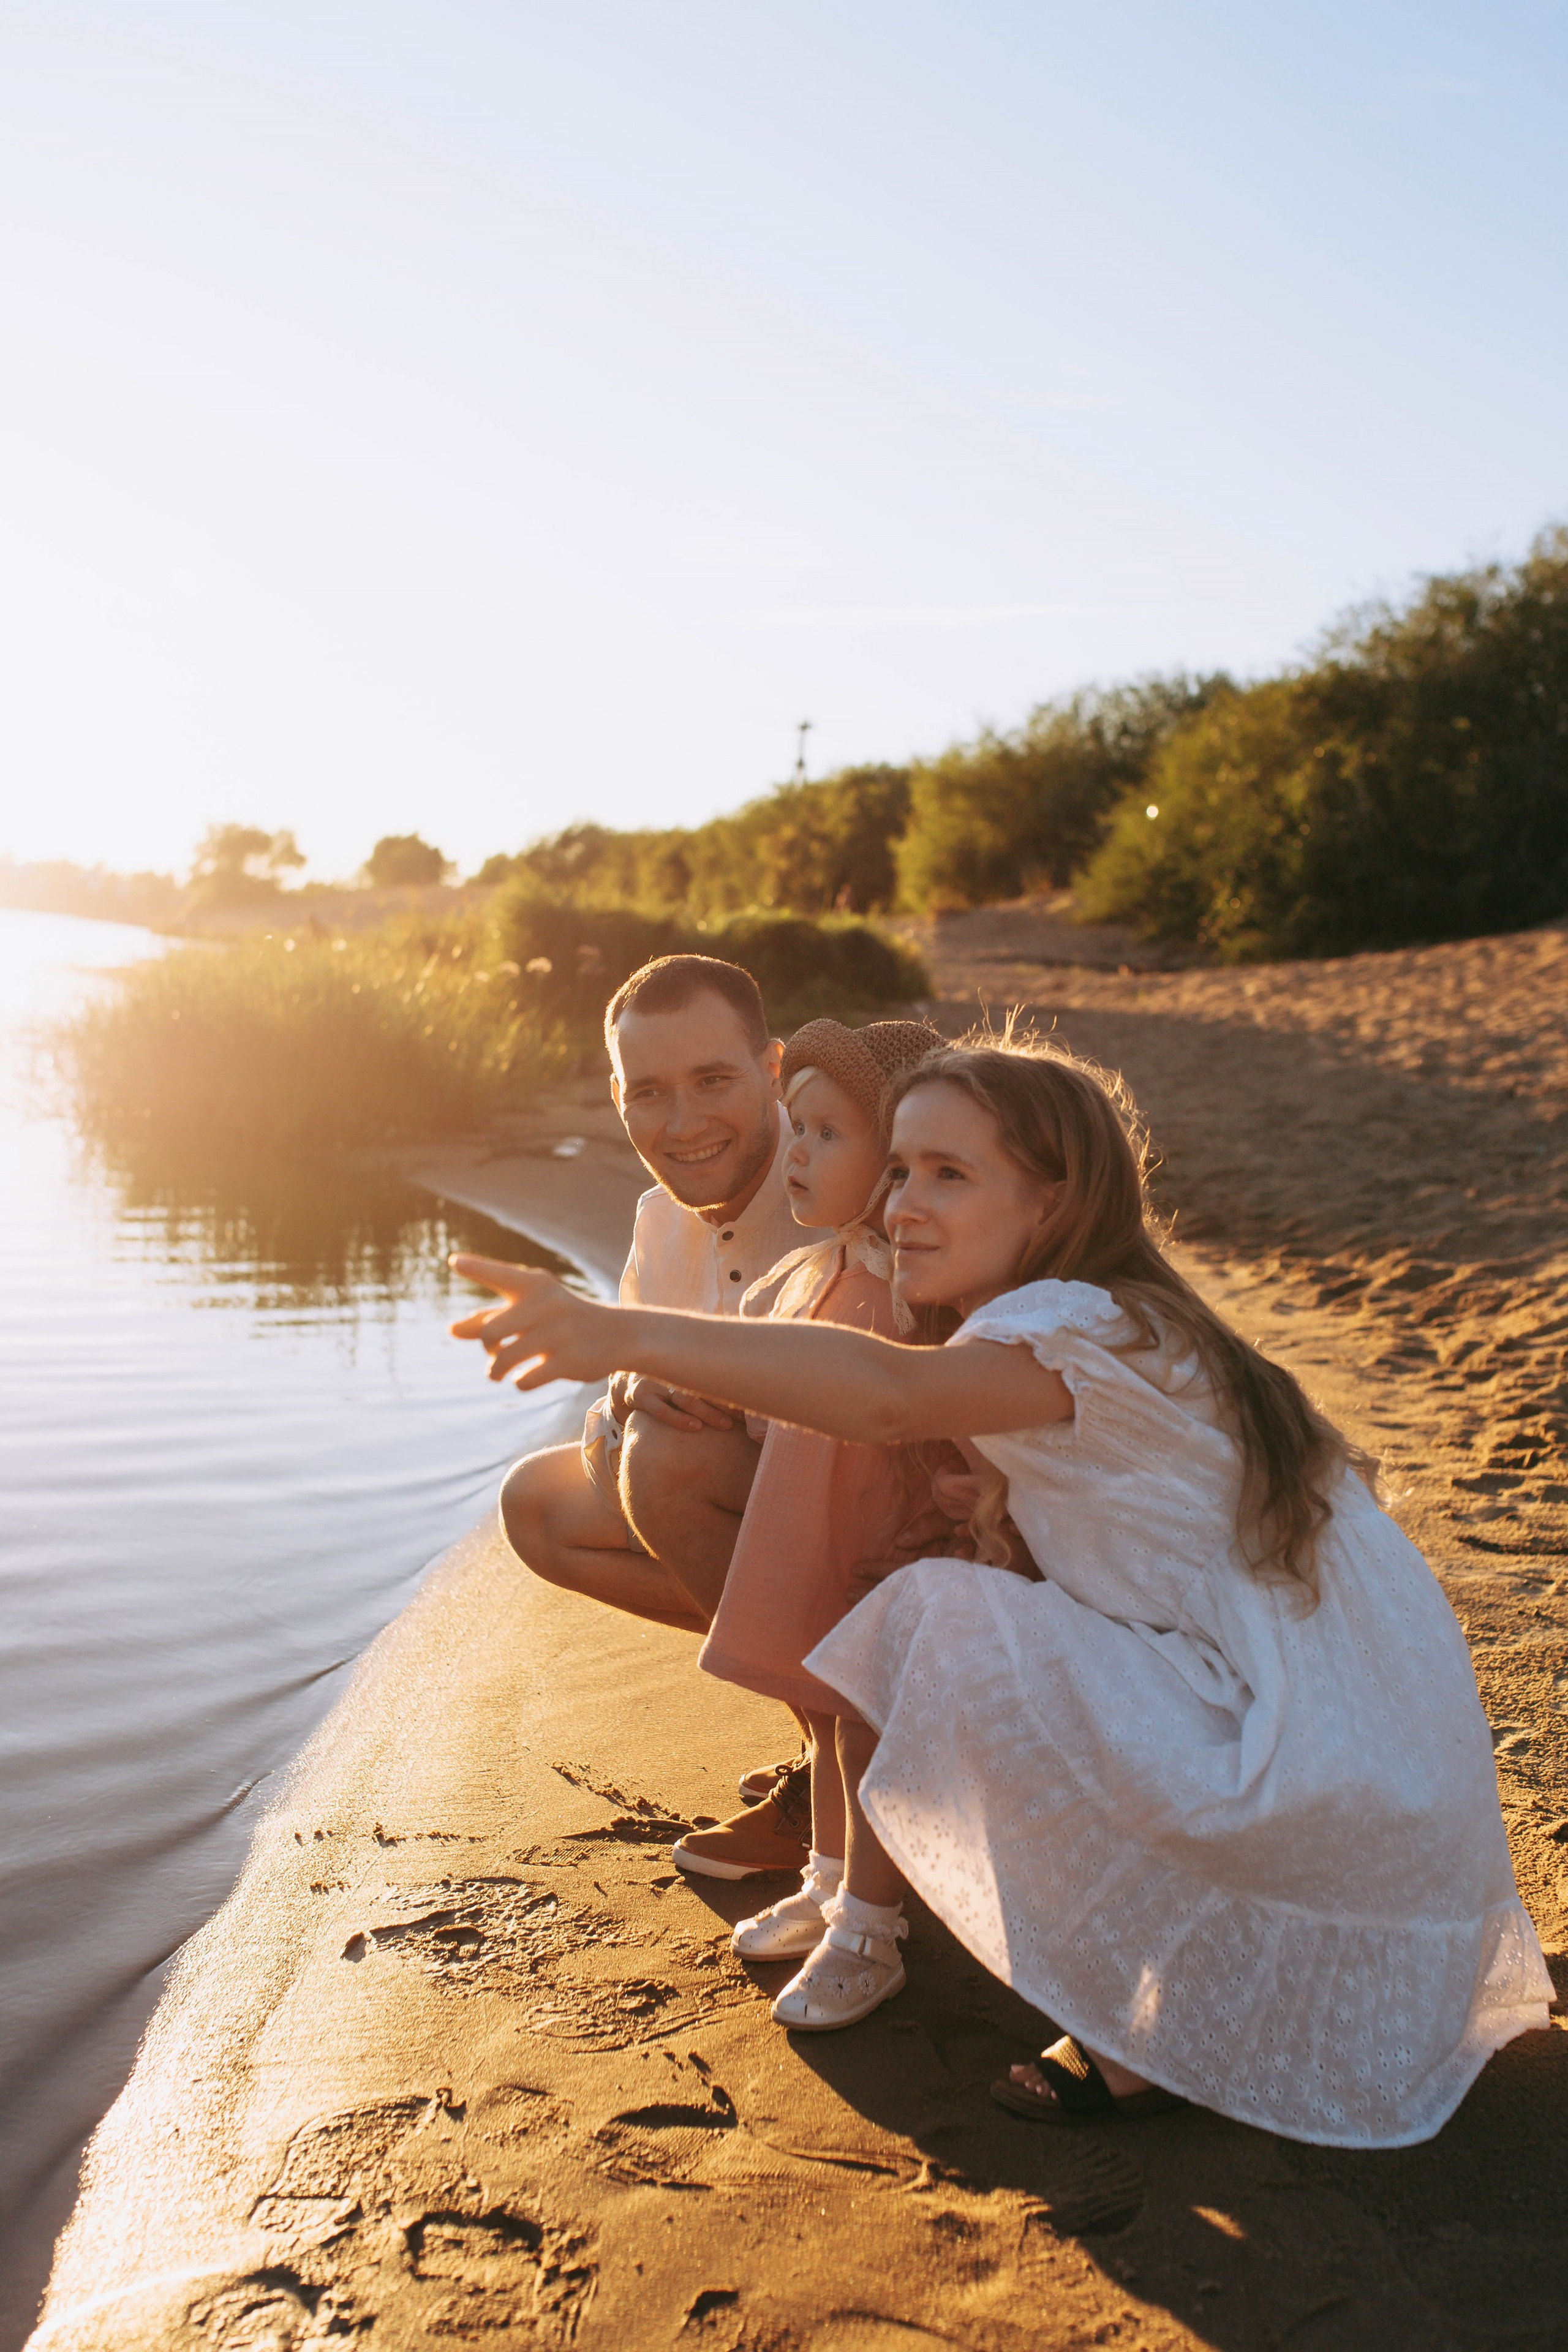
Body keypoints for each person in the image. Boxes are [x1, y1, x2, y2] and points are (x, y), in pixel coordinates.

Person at [450, 1034, 1553, 2147]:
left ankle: (1140, 2041)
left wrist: (617, 1333)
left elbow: (886, 1394)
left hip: (1310, 1765)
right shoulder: (1124, 1313)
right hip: (1374, 1760)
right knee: (964, 1604)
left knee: (931, 1617)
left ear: (1052, 1200)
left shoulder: (1068, 1323)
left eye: (951, 1174)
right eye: (899, 1170)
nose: (903, 1205)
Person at [494, 952, 823, 1867]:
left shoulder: (839, 1187)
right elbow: (622, 1400)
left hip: (892, 1523)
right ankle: (824, 1719)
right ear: (618, 1097)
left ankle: (842, 1770)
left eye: (712, 1081)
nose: (682, 1124)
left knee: (671, 1466)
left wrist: (706, 1409)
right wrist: (636, 1387)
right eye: (648, 1093)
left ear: (771, 1069)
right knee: (538, 1505)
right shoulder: (658, 1217)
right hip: (768, 1517)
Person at [674, 1015, 974, 1953]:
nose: (796, 1152)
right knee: (836, 1715)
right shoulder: (829, 1271)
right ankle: (831, 1879)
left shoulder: (899, 1296)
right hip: (821, 1532)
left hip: (876, 1546)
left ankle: (867, 1914)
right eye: (797, 1128)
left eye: (828, 1134)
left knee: (858, 1717)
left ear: (897, 1164)